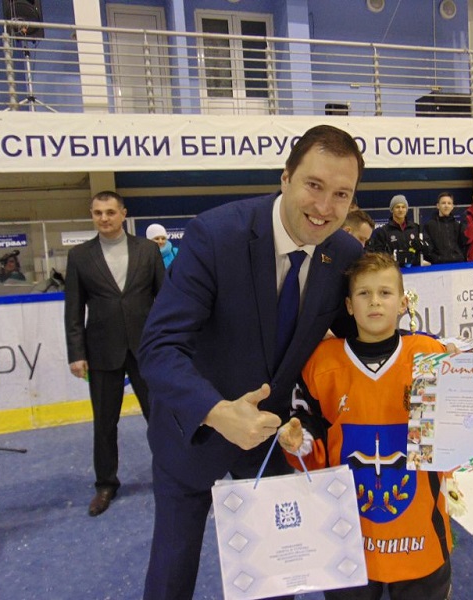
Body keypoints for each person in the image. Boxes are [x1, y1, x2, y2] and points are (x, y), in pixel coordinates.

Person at [137, 124, 365, 599]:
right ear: (285, 177)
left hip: (270, 439)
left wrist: (440, 365)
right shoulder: (216, 234)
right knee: (173, 568)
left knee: (275, 573)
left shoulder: (344, 253)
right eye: (314, 185)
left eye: (341, 194)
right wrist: (218, 412)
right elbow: (158, 347)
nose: (325, 207)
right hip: (192, 433)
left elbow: (363, 336)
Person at [277, 252, 473, 599]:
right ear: (349, 305)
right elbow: (310, 430)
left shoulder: (428, 355)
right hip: (347, 538)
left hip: (420, 535)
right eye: (364, 293)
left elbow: (467, 425)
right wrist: (300, 441)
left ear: (403, 303)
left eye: (385, 293)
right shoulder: (322, 363)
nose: (375, 301)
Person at [64, 190, 164, 518]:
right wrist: (76, 353)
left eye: (110, 212)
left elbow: (165, 299)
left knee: (160, 418)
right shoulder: (80, 256)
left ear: (123, 213)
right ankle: (106, 484)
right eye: (97, 213)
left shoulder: (148, 250)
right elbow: (73, 309)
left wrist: (169, 343)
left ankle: (171, 473)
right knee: (105, 423)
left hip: (147, 348)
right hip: (101, 351)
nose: (104, 218)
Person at [366, 194, 430, 267]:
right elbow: (378, 253)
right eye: (397, 207)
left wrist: (422, 245)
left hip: (415, 269)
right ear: (392, 209)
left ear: (406, 209)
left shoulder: (416, 228)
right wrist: (391, 257)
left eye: (403, 207)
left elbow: (429, 249)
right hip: (393, 269)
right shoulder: (384, 231)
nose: (400, 210)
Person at [423, 191, 465, 264]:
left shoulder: (457, 225)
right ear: (438, 206)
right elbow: (428, 248)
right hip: (438, 265)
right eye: (443, 203)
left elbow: (463, 245)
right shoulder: (430, 225)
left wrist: (459, 256)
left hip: (457, 264)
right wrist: (436, 259)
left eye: (449, 203)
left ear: (452, 206)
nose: (446, 205)